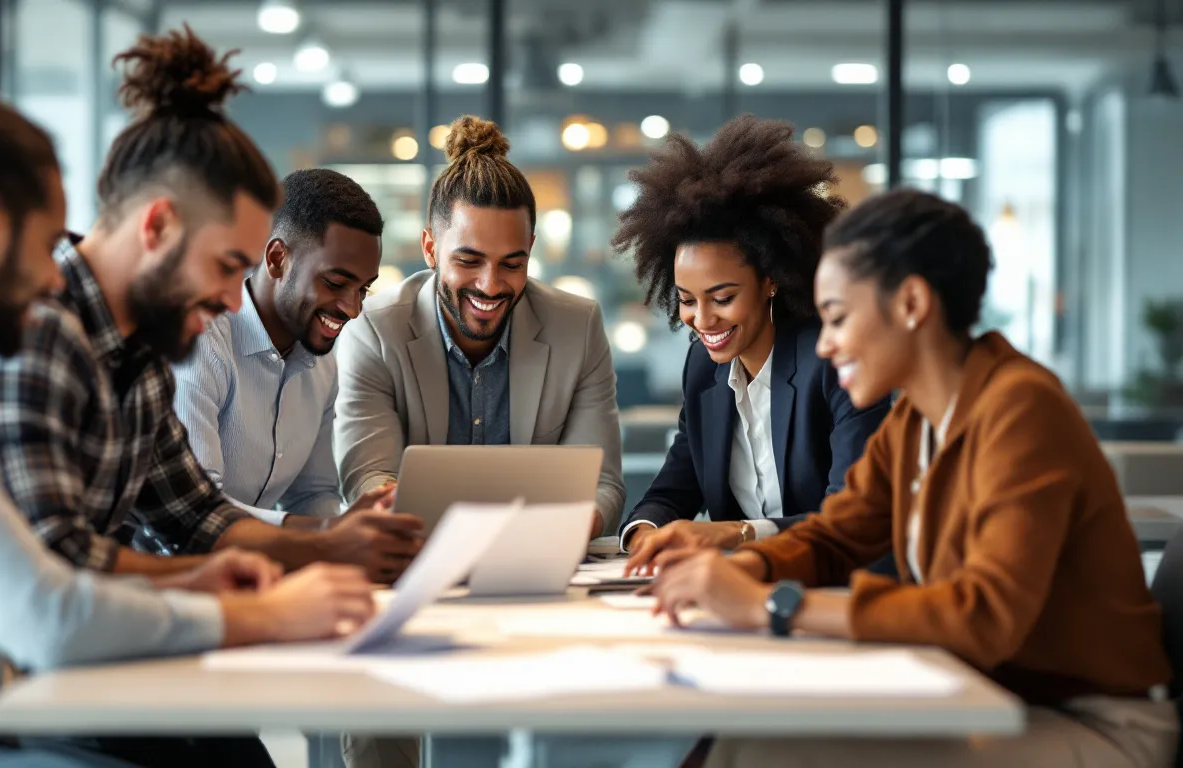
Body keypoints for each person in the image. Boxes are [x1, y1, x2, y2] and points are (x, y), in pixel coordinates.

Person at [0, 61, 376, 768]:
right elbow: (47, 606)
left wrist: (201, 583)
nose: (51, 275)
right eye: (42, 247)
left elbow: (163, 528)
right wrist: (257, 615)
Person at [649, 188, 1176, 768]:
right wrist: (740, 570)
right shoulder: (915, 420)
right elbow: (834, 536)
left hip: (1090, 720)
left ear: (911, 304)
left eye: (838, 317)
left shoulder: (1020, 409)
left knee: (767, 755)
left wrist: (772, 605)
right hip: (983, 693)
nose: (823, 343)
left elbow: (984, 615)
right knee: (740, 743)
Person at [0, 26, 421, 593]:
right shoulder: (38, 332)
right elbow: (57, 567)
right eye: (227, 265)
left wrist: (330, 546)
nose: (235, 300)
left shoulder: (142, 351)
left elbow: (197, 518)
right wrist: (259, 587)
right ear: (158, 226)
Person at [613, 115, 890, 566]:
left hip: (835, 588)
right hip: (740, 592)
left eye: (722, 297)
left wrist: (740, 534)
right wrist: (646, 531)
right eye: (687, 300)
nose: (702, 320)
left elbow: (851, 516)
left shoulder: (833, 361)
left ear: (770, 281)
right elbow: (674, 486)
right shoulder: (704, 368)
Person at [334, 115, 625, 539]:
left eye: (512, 263)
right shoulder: (374, 332)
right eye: (468, 261)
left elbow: (603, 484)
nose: (490, 285)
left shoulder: (577, 328)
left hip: (537, 557)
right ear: (431, 248)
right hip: (416, 559)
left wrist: (568, 529)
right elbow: (370, 477)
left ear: (531, 250)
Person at [172, 169, 383, 528]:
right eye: (335, 283)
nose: (352, 308)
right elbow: (198, 509)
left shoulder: (324, 361)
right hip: (178, 573)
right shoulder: (203, 342)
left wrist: (347, 537)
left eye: (363, 289)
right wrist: (327, 533)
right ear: (276, 258)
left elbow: (313, 495)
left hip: (261, 572)